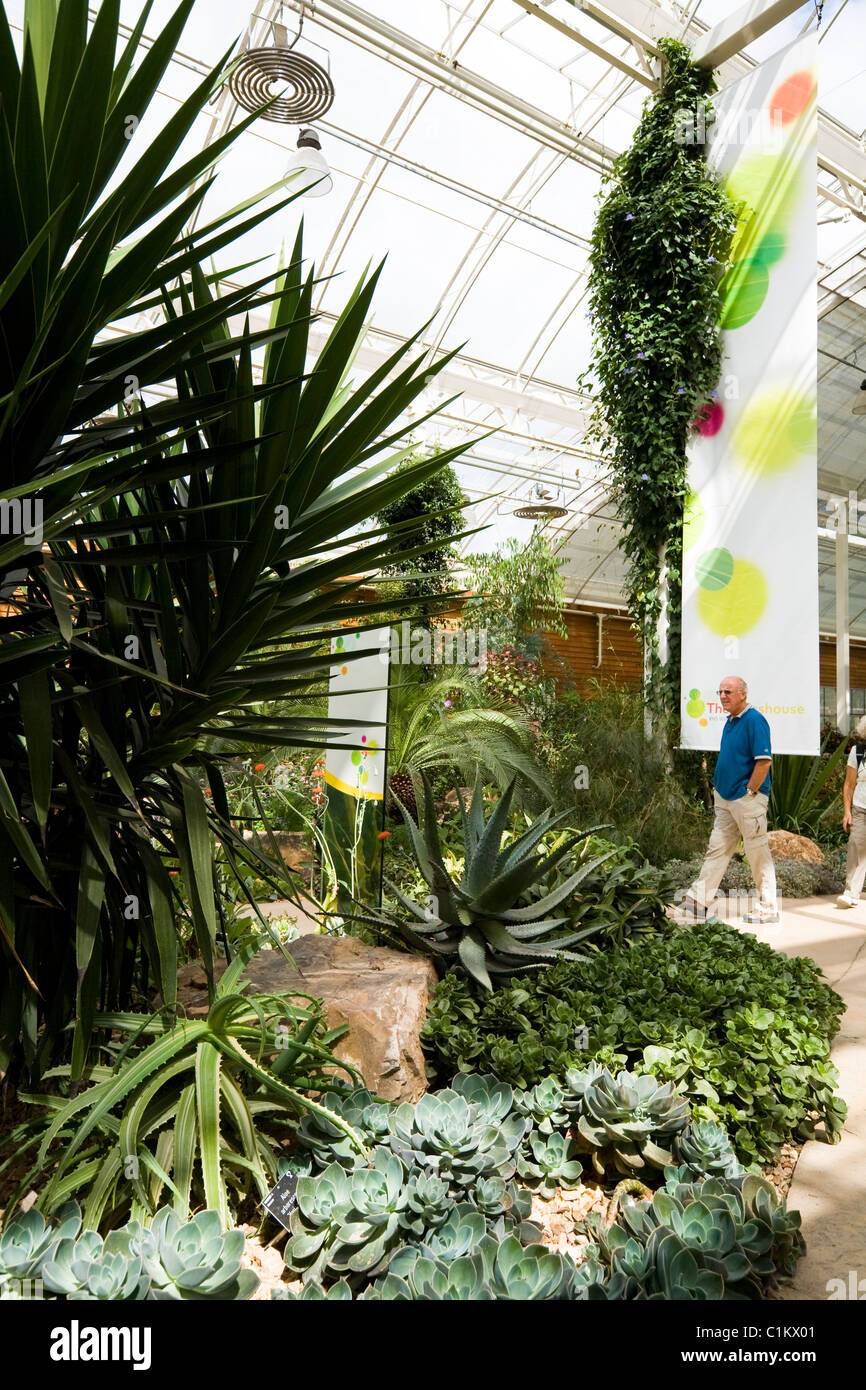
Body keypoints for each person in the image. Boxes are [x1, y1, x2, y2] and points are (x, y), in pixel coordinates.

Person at [681, 676, 779, 925]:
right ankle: (699, 900)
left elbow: (764, 761)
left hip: (746, 800)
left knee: (757, 852)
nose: (723, 696)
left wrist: (750, 791)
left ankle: (768, 907)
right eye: (721, 691)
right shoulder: (731, 721)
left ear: (743, 694)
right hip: (725, 798)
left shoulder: (755, 720)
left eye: (728, 692)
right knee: (718, 848)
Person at [837, 715, 866, 908]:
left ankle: (853, 891)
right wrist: (847, 811)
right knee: (857, 847)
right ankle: (851, 892)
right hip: (860, 808)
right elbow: (848, 784)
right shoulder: (857, 752)